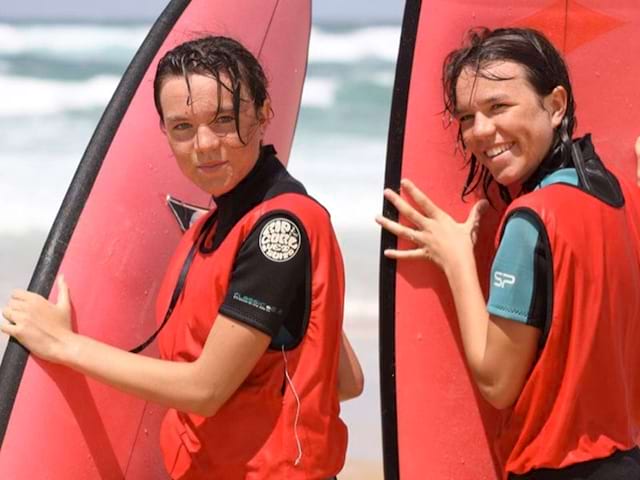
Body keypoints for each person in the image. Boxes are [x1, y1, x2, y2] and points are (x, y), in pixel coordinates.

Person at [1, 36, 363, 479]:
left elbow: (206, 389)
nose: (204, 144)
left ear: (265, 112)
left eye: (224, 120)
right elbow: (346, 380)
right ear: (164, 132)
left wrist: (63, 344)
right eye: (182, 127)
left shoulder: (277, 230)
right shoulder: (209, 228)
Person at [376, 28, 640, 479]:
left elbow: (497, 381)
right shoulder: (625, 196)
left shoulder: (531, 220)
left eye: (499, 107)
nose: (481, 132)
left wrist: (457, 257)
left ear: (555, 106)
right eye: (466, 117)